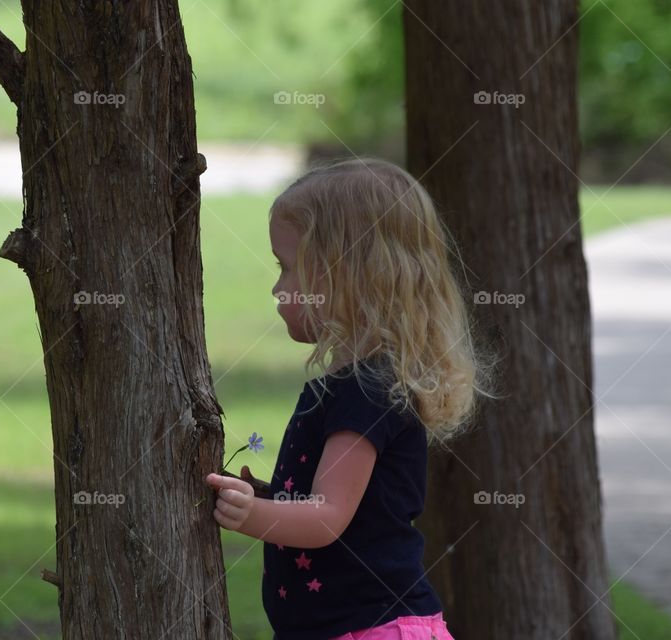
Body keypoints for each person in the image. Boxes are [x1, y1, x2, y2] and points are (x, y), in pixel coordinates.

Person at [205, 158, 496, 640]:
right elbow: (339, 507)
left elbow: (327, 516)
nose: (277, 288)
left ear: (344, 276)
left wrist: (254, 516)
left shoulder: (367, 390)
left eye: (287, 268)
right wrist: (271, 498)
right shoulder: (356, 384)